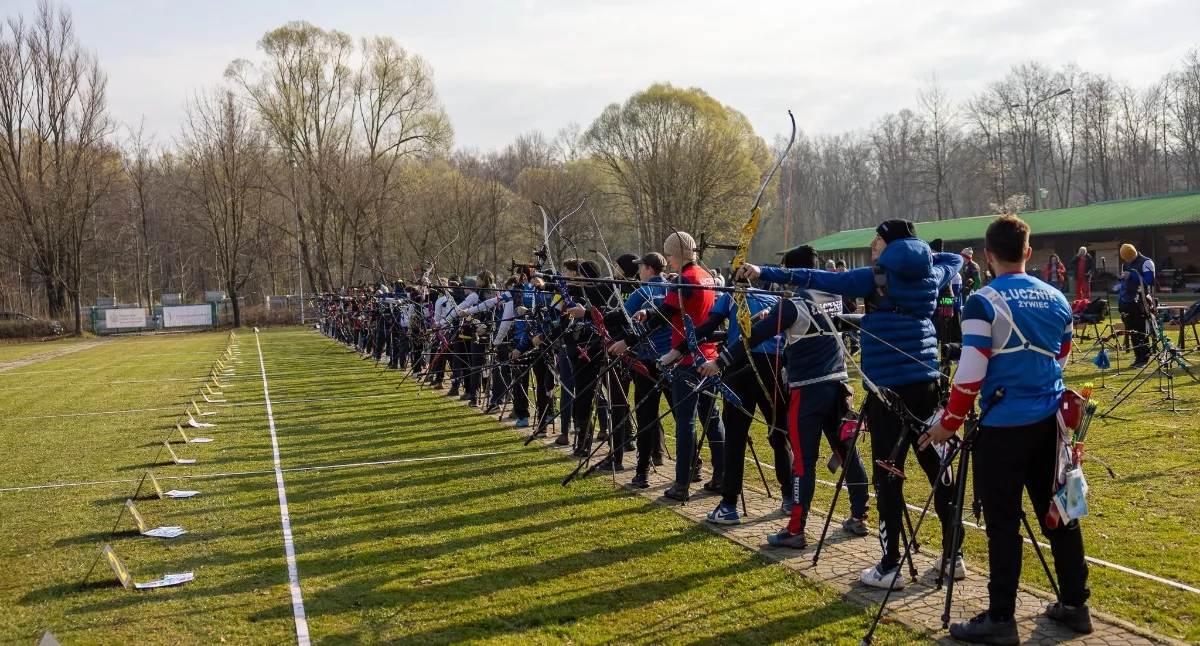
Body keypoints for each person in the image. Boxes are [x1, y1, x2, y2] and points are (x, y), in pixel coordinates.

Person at [738, 219, 962, 590]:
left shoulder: (875, 278)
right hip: (926, 385)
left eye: (878, 243)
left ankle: (890, 565)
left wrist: (764, 271)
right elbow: (952, 259)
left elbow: (816, 278)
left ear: (890, 247)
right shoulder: (932, 274)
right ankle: (953, 556)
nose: (873, 247)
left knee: (888, 475)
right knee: (935, 466)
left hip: (889, 391)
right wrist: (923, 255)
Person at [921, 214, 1091, 643]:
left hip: (1003, 428)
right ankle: (1075, 605)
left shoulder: (983, 300)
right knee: (1062, 513)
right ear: (1028, 252)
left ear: (987, 256)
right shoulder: (1056, 297)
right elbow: (1062, 357)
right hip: (1051, 426)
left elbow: (971, 371)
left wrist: (949, 423)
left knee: (1002, 525)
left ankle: (1001, 619)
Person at [710, 245, 871, 547]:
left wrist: (718, 362)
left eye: (786, 272)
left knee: (803, 463)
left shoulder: (792, 305)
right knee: (847, 452)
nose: (783, 279)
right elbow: (799, 314)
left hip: (807, 391)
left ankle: (796, 530)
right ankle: (860, 515)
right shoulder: (833, 297)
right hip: (837, 386)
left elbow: (753, 337)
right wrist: (774, 311)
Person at [609, 231, 725, 502]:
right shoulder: (705, 276)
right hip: (708, 357)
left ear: (680, 253)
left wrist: (628, 340)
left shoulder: (685, 279)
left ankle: (681, 483)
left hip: (686, 359)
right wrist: (649, 312)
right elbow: (668, 309)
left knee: (686, 423)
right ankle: (721, 475)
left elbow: (664, 317)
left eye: (671, 255)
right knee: (713, 420)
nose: (669, 260)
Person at [621, 252, 673, 487]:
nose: (638, 272)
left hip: (648, 361)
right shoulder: (674, 290)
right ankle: (694, 466)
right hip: (672, 359)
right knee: (682, 415)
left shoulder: (641, 292)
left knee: (646, 416)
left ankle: (642, 473)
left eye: (640, 268)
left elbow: (622, 318)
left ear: (649, 270)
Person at [1118, 244, 1155, 369]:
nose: (1127, 261)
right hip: (1127, 301)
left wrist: (1131, 276)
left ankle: (1144, 357)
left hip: (1141, 302)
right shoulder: (1125, 265)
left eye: (1128, 258)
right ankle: (1137, 357)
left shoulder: (1146, 262)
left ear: (1133, 254)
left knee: (1141, 330)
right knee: (1132, 330)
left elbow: (1149, 281)